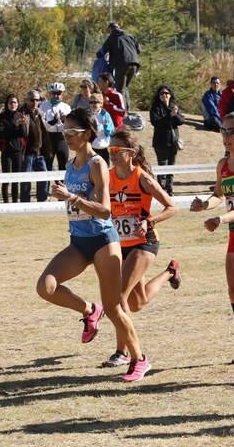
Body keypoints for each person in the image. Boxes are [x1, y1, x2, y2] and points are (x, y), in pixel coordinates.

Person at [35, 108, 150, 382]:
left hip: (102, 241)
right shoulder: (71, 164)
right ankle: (89, 310)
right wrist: (62, 196)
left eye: (72, 133)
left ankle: (139, 359)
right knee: (46, 287)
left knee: (114, 307)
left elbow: (105, 211)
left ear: (87, 133)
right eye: (64, 132)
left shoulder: (97, 164)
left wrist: (72, 198)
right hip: (78, 242)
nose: (67, 137)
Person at [105, 126, 179, 368]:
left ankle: (123, 352)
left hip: (145, 244)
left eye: (117, 150)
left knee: (118, 297)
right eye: (110, 149)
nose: (112, 154)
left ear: (131, 152)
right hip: (121, 244)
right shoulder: (108, 176)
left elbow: (171, 206)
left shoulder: (142, 178)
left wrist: (150, 221)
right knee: (138, 301)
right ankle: (170, 273)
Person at [190, 111, 234, 365]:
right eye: (223, 131)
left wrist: (221, 219)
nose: (226, 137)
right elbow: (219, 195)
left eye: (231, 131)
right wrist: (204, 204)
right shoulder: (223, 165)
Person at [149, 84, 184, 196]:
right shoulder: (155, 108)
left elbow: (181, 121)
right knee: (162, 167)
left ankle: (170, 190)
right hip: (160, 142)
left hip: (173, 142)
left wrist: (175, 114)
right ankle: (161, 191)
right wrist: (170, 116)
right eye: (162, 93)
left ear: (170, 95)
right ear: (158, 96)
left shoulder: (174, 106)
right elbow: (156, 123)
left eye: (166, 93)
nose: (164, 95)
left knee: (171, 167)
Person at [97, 22, 141, 110]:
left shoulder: (112, 37)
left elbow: (102, 51)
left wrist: (98, 56)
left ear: (110, 29)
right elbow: (139, 49)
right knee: (124, 87)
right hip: (134, 64)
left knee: (120, 89)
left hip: (121, 65)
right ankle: (126, 108)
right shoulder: (130, 36)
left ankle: (123, 112)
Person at [19, 89, 50, 202]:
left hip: (39, 152)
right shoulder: (21, 113)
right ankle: (25, 202)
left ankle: (42, 200)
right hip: (27, 152)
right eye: (32, 100)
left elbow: (44, 131)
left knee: (44, 177)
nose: (35, 102)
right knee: (26, 179)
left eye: (38, 100)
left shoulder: (40, 113)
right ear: (26, 100)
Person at [0, 94, 27, 203]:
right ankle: (6, 202)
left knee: (16, 179)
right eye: (10, 102)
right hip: (6, 151)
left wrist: (22, 125)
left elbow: (23, 134)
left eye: (15, 102)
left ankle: (15, 202)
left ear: (18, 104)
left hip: (18, 151)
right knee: (6, 179)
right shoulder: (2, 116)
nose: (13, 104)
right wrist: (15, 127)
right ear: (7, 104)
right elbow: (0, 134)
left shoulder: (20, 115)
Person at [40, 82, 71, 178]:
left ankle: (62, 189)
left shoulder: (67, 107)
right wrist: (54, 121)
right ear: (50, 94)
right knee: (47, 166)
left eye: (59, 93)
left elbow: (71, 125)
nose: (56, 95)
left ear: (62, 94)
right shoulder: (43, 106)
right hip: (49, 138)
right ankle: (44, 191)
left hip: (62, 138)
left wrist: (65, 120)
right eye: (54, 93)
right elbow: (43, 124)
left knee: (63, 165)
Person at [89, 92, 115, 165]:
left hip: (104, 147)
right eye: (91, 102)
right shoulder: (88, 114)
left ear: (101, 103)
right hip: (91, 148)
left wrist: (106, 126)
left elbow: (111, 131)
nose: (93, 104)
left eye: (95, 102)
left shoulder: (105, 115)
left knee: (105, 168)